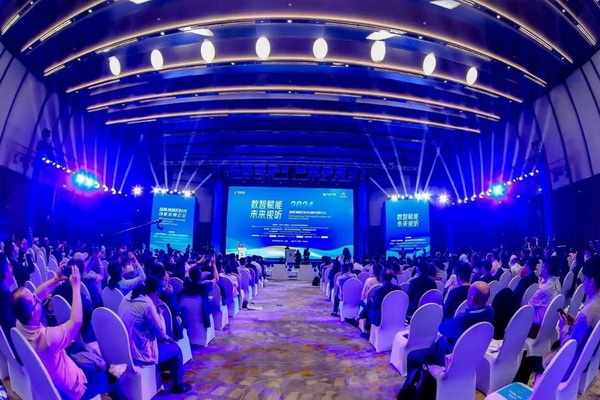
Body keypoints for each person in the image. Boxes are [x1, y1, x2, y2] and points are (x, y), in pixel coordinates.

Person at [12, 264, 123, 399]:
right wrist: (76, 287)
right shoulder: (48, 338)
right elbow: (76, 322)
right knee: (114, 377)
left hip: (55, 382)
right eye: (35, 301)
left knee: (87, 357)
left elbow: (36, 296)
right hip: (75, 390)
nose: (37, 297)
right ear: (35, 314)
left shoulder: (20, 322)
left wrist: (56, 279)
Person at [398, 282, 494, 397]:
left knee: (412, 356)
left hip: (448, 356)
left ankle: (408, 393)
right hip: (471, 358)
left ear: (471, 298)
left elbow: (442, 328)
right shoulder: (490, 312)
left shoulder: (463, 320)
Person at [515, 255, 600, 383]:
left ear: (592, 281)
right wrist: (574, 323)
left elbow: (569, 347)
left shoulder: (586, 313)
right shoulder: (595, 305)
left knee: (527, 363)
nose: (583, 283)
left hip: (565, 366)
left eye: (585, 279)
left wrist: (563, 328)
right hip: (582, 362)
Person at [118, 277, 192, 394]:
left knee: (165, 345)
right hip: (140, 352)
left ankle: (161, 371)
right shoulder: (147, 305)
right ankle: (178, 386)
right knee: (176, 349)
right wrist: (160, 314)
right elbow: (161, 333)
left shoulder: (128, 296)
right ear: (155, 292)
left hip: (126, 348)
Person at [52, 259, 96, 343]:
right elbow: (87, 326)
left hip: (63, 329)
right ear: (80, 275)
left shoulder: (56, 290)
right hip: (81, 338)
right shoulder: (84, 304)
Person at [528, 257, 562, 333]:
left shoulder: (544, 289)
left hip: (534, 326)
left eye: (543, 267)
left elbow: (529, 306)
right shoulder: (557, 283)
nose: (541, 268)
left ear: (547, 270)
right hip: (549, 324)